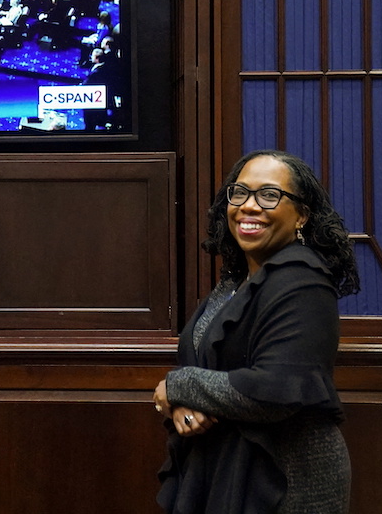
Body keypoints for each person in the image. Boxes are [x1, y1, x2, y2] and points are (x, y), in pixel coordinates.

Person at [153, 150, 360, 514]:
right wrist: (184, 406)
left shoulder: (303, 281)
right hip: (219, 468)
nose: (249, 206)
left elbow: (275, 391)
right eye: (240, 193)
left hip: (285, 481)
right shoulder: (236, 281)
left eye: (269, 195)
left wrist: (177, 386)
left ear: (302, 215)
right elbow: (210, 365)